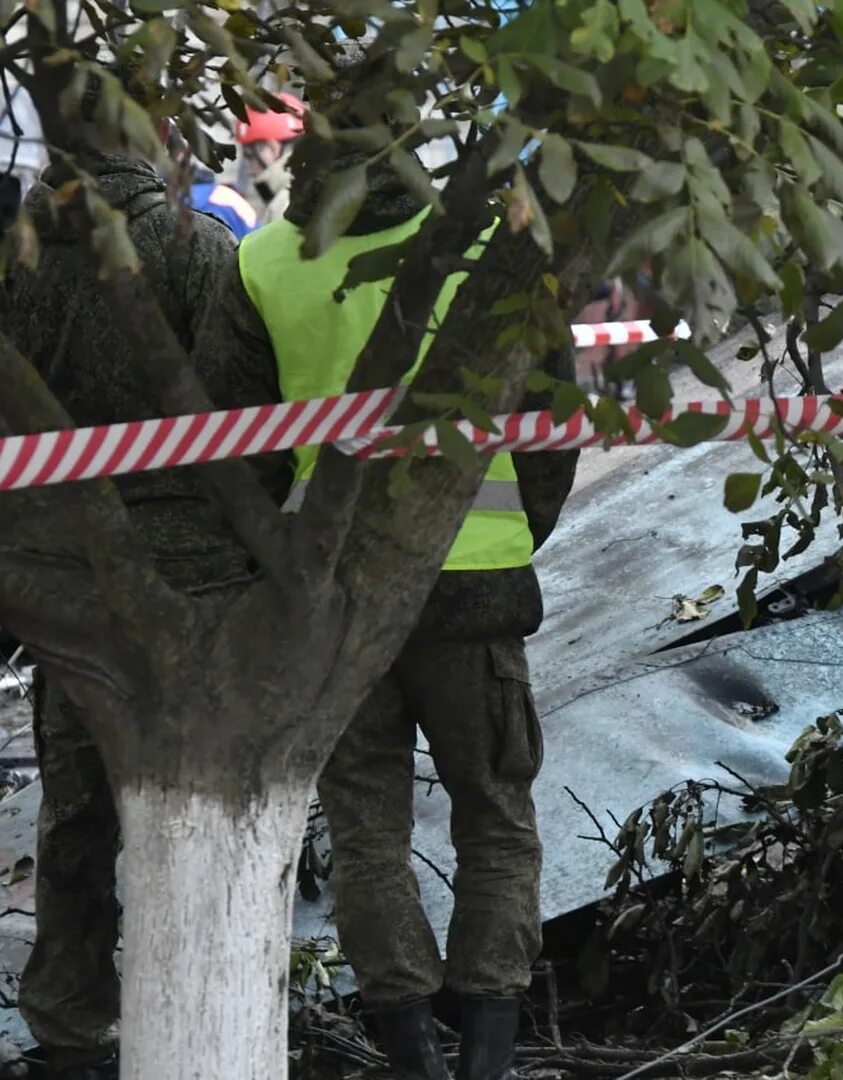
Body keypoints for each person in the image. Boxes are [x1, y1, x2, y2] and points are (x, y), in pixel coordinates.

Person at [197, 71, 578, 1080]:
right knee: (496, 815)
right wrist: (513, 533)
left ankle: (410, 1053)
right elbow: (550, 425)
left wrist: (287, 566)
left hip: (336, 596)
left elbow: (247, 450)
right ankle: (487, 1053)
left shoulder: (266, 263)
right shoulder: (491, 249)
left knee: (367, 828)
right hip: (475, 586)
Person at [0, 72, 259, 1080]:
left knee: (78, 809)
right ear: (150, 140)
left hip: (73, 574)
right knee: (193, 798)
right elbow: (250, 410)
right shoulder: (198, 250)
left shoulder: (18, 263)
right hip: (191, 573)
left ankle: (69, 1022)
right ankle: (192, 1002)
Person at [235, 92, 304, 226]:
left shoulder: (285, 204)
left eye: (250, 157)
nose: (250, 170)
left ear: (272, 148)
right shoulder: (308, 189)